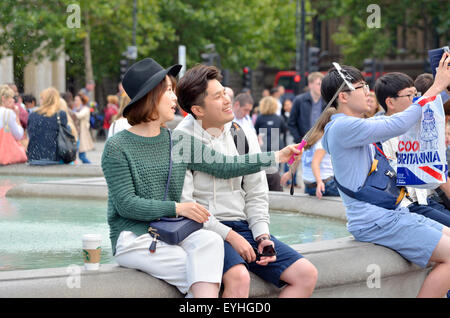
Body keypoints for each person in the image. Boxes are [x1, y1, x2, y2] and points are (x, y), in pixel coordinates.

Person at [101, 58, 302, 299]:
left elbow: (226, 166)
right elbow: (126, 204)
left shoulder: (178, 141)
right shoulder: (117, 147)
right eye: (167, 90)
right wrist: (177, 208)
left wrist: (276, 156)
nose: (175, 98)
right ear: (149, 97)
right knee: (205, 271)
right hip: (135, 237)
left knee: (210, 244)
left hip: (170, 233)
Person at [176, 64, 318, 298]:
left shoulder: (239, 134)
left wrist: (262, 235)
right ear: (197, 110)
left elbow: (256, 192)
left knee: (306, 274)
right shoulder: (183, 140)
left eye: (225, 93)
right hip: (204, 229)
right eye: (217, 97)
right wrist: (229, 236)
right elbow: (187, 206)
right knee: (239, 277)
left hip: (243, 226)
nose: (226, 100)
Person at [320, 55, 450, 297]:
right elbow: (398, 124)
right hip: (377, 220)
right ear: (343, 96)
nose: (368, 92)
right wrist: (437, 86)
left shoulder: (349, 125)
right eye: (361, 87)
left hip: (391, 213)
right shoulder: (343, 127)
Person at [373, 72, 450, 227]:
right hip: (408, 205)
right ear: (390, 102)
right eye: (409, 95)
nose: (415, 99)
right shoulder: (379, 132)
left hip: (425, 200)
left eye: (416, 94)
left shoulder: (418, 125)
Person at [283, 107, 339, 199]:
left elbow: (298, 156)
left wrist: (290, 173)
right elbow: (315, 163)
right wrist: (319, 182)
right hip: (325, 184)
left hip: (308, 186)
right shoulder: (324, 140)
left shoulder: (309, 137)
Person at [26, 87, 74, 165]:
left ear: (43, 100)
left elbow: (30, 133)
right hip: (53, 157)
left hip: (34, 157)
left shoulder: (32, 115)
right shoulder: (60, 115)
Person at [254, 96, 287, 191]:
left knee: (263, 172)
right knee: (275, 171)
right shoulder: (279, 118)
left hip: (263, 148)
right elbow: (284, 130)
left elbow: (256, 132)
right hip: (275, 147)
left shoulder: (259, 118)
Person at [288, 72, 326, 144]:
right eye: (319, 84)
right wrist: (299, 140)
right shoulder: (299, 100)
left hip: (322, 144)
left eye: (323, 84)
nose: (321, 87)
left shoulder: (327, 101)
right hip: (304, 144)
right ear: (310, 85)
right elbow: (291, 123)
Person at [72, 93, 94, 164]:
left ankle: (91, 167)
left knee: (82, 156)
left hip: (82, 134)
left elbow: (79, 115)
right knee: (77, 155)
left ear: (81, 101)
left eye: (77, 100)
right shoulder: (74, 109)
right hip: (75, 134)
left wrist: (69, 112)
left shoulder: (85, 109)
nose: (75, 102)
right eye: (74, 100)